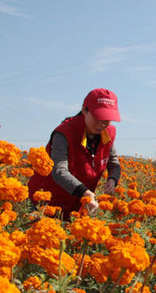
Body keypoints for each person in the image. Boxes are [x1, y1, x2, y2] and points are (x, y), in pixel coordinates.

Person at [28, 88, 121, 218]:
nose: (101, 124)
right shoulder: (64, 133)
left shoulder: (108, 133)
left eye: (107, 119)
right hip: (45, 203)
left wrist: (112, 179)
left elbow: (114, 162)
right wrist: (84, 192)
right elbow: (59, 170)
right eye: (97, 117)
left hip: (76, 205)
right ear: (84, 110)